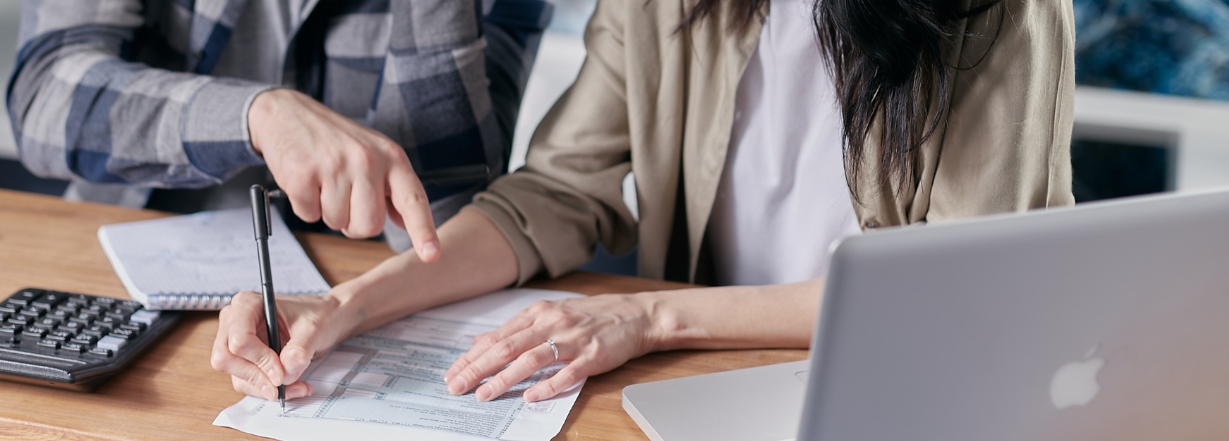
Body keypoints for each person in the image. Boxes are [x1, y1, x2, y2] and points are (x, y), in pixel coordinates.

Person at [211, 0, 1075, 404]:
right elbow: (554, 191)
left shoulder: (1002, 13)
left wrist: (653, 319)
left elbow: (956, 288)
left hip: (910, 393)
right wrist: (347, 305)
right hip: (712, 386)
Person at [7, 0, 554, 259]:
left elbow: (443, 223)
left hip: (365, 290)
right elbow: (44, 97)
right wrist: (256, 115)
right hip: (131, 248)